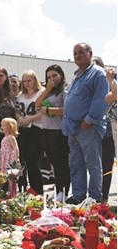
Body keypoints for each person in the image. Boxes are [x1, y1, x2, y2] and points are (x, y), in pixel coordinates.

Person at [63, 42, 109, 204]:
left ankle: (94, 198)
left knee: (93, 165)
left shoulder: (98, 73)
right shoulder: (77, 74)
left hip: (88, 127)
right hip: (73, 128)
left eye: (81, 53)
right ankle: (78, 196)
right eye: (75, 53)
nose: (77, 56)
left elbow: (101, 100)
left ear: (90, 53)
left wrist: (88, 120)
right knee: (76, 164)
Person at [35, 64, 70, 201]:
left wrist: (49, 111)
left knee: (61, 162)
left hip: (59, 130)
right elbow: (37, 105)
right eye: (49, 77)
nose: (52, 79)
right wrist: (47, 88)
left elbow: (65, 110)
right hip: (46, 130)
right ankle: (58, 189)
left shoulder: (65, 90)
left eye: (55, 75)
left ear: (61, 75)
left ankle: (64, 191)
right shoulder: (47, 91)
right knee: (53, 162)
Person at [16, 69, 45, 194]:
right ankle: (23, 188)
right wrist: (20, 118)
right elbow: (16, 110)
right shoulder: (20, 96)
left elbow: (44, 111)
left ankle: (37, 190)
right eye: (24, 81)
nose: (27, 83)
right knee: (22, 160)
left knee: (33, 161)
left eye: (29, 80)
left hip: (37, 128)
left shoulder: (42, 93)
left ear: (35, 80)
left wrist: (30, 119)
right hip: (23, 129)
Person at [92, 56, 117, 202]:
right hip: (91, 130)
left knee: (106, 164)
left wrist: (109, 80)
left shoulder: (112, 82)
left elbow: (114, 95)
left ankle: (104, 196)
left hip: (108, 133)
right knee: (93, 165)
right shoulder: (87, 83)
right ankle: (93, 194)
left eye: (99, 65)